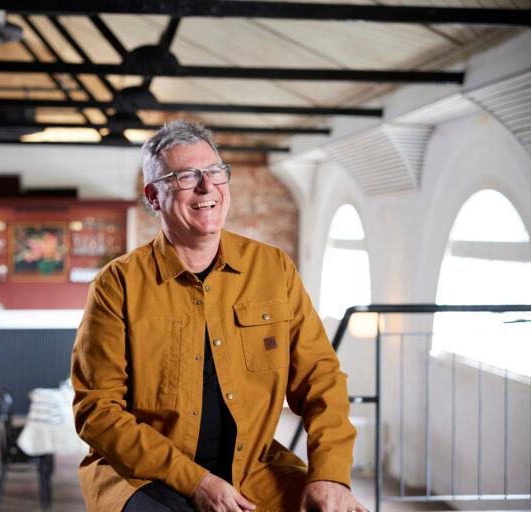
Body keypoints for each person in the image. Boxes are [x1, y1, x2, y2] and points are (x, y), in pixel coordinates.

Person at [71, 120, 366, 512]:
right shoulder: (116, 285)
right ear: (154, 197)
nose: (207, 187)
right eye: (185, 176)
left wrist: (330, 474)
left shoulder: (273, 269)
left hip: (254, 470)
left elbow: (320, 378)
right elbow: (97, 411)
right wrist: (196, 481)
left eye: (214, 171)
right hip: (144, 475)